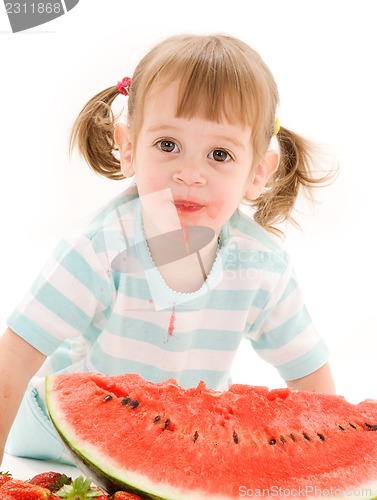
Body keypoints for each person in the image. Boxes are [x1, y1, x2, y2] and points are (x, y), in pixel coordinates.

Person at [0, 33, 336, 465]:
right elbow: (16, 353)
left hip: (181, 441)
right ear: (128, 147)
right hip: (54, 431)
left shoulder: (262, 267)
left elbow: (309, 374)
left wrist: (329, 466)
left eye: (219, 153)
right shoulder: (100, 247)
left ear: (257, 172)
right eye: (168, 146)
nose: (190, 173)